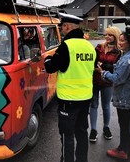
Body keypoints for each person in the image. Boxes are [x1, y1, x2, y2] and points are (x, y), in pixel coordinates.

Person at [44, 13, 96, 162]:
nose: (61, 31)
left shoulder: (66, 46)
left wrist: (47, 58)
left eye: (62, 28)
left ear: (67, 27)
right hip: (85, 98)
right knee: (81, 132)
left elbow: (51, 67)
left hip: (69, 100)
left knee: (67, 135)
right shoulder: (89, 46)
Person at [98, 32, 130, 160]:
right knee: (129, 123)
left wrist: (103, 72)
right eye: (120, 40)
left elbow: (117, 78)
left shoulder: (129, 59)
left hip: (125, 98)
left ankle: (123, 150)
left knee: (124, 124)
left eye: (123, 41)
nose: (120, 43)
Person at [89, 26, 121, 142]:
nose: (107, 36)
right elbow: (92, 61)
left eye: (110, 35)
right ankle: (93, 129)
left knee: (106, 106)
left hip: (108, 82)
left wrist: (102, 66)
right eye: (106, 34)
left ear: (115, 36)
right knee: (93, 105)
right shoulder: (99, 47)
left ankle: (106, 127)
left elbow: (116, 68)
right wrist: (97, 67)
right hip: (95, 80)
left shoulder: (119, 52)